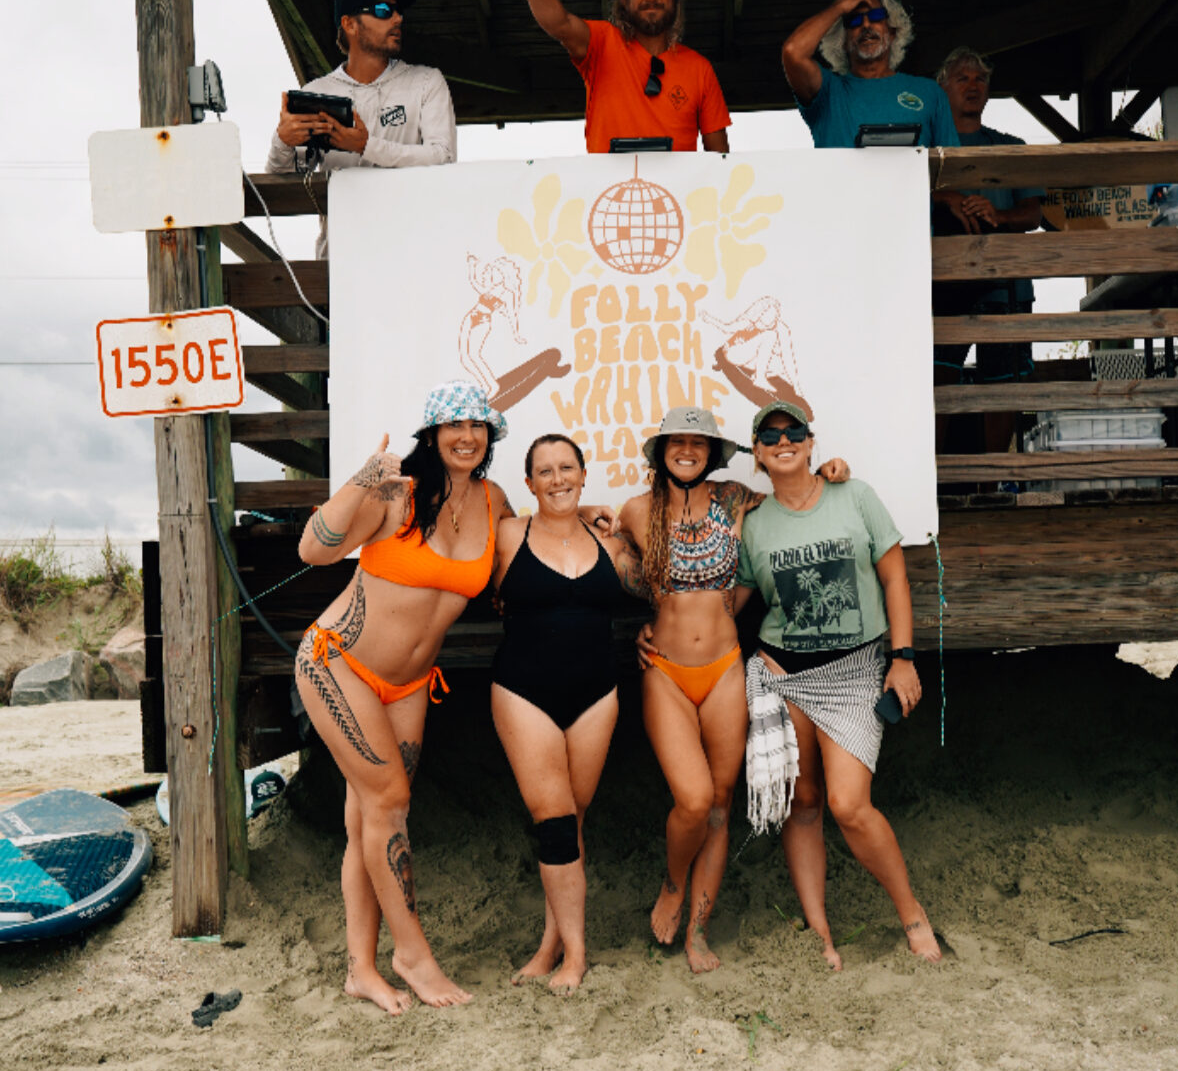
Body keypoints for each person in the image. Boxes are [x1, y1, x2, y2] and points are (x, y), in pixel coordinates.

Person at [293, 382, 611, 1014]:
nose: (466, 436)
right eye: (453, 425)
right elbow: (313, 548)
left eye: (478, 426)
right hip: (339, 662)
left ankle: (361, 969)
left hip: (409, 682)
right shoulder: (395, 492)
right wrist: (360, 478)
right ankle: (412, 957)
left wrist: (591, 517)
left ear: (490, 439)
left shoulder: (493, 500)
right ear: (432, 434)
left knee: (368, 820)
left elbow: (538, 536)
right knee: (391, 800)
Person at [622, 407, 849, 972]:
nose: (688, 450)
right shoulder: (635, 511)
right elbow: (577, 528)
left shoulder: (737, 500)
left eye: (699, 442)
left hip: (725, 666)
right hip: (666, 672)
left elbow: (799, 492)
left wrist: (833, 471)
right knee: (693, 800)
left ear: (713, 453)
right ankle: (674, 885)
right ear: (661, 450)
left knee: (721, 808)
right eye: (677, 441)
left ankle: (699, 930)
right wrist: (636, 626)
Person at [738, 400, 940, 970]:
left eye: (793, 431)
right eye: (770, 435)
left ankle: (912, 915)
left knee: (850, 805)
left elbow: (894, 576)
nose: (783, 441)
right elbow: (729, 602)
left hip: (853, 672)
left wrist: (902, 657)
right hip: (783, 674)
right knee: (803, 802)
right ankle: (819, 931)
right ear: (756, 451)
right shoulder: (752, 523)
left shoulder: (855, 495)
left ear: (810, 440)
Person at [490, 434, 646, 994]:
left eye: (566, 469)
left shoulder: (610, 540)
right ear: (528, 483)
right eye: (545, 472)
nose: (557, 479)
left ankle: (549, 945)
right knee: (554, 819)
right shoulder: (508, 534)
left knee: (572, 822)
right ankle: (576, 957)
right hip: (523, 691)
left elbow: (657, 588)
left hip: (596, 694)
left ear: (583, 474)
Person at [266, 0, 456, 257]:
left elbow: (444, 158)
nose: (397, 19)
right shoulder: (317, 92)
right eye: (383, 11)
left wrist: (366, 146)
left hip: (415, 258)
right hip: (341, 265)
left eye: (398, 11)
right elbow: (278, 189)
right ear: (350, 24)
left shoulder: (427, 81)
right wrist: (282, 142)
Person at [932, 47, 1045, 460]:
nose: (972, 85)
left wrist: (997, 213)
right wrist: (949, 200)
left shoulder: (1010, 146)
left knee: (1003, 384)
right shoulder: (925, 150)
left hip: (1004, 284)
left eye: (980, 79)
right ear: (941, 89)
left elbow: (1034, 213)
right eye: (961, 78)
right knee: (936, 382)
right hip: (942, 284)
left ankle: (991, 482)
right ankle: (936, 482)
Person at [510, 0, 731, 153]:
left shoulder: (699, 68)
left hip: (676, 196)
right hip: (608, 194)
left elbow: (721, 160)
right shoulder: (602, 43)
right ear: (624, 0)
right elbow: (561, 24)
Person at [781, 0, 959, 149]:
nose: (866, 24)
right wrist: (839, 7)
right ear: (842, 40)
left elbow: (951, 169)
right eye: (854, 21)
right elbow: (793, 52)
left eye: (875, 16)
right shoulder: (828, 92)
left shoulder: (930, 93)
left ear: (892, 31)